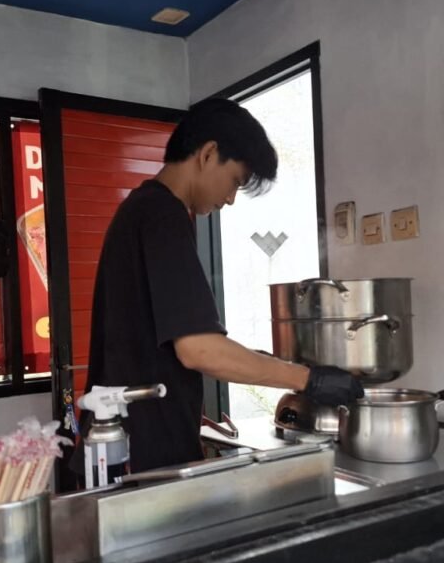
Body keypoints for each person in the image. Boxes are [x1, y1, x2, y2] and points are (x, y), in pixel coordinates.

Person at [78, 98, 362, 475]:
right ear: (209, 153)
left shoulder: (143, 210)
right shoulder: (162, 215)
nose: (229, 199)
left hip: (132, 446)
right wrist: (311, 380)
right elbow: (200, 350)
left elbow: (179, 344)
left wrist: (284, 367)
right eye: (235, 182)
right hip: (142, 455)